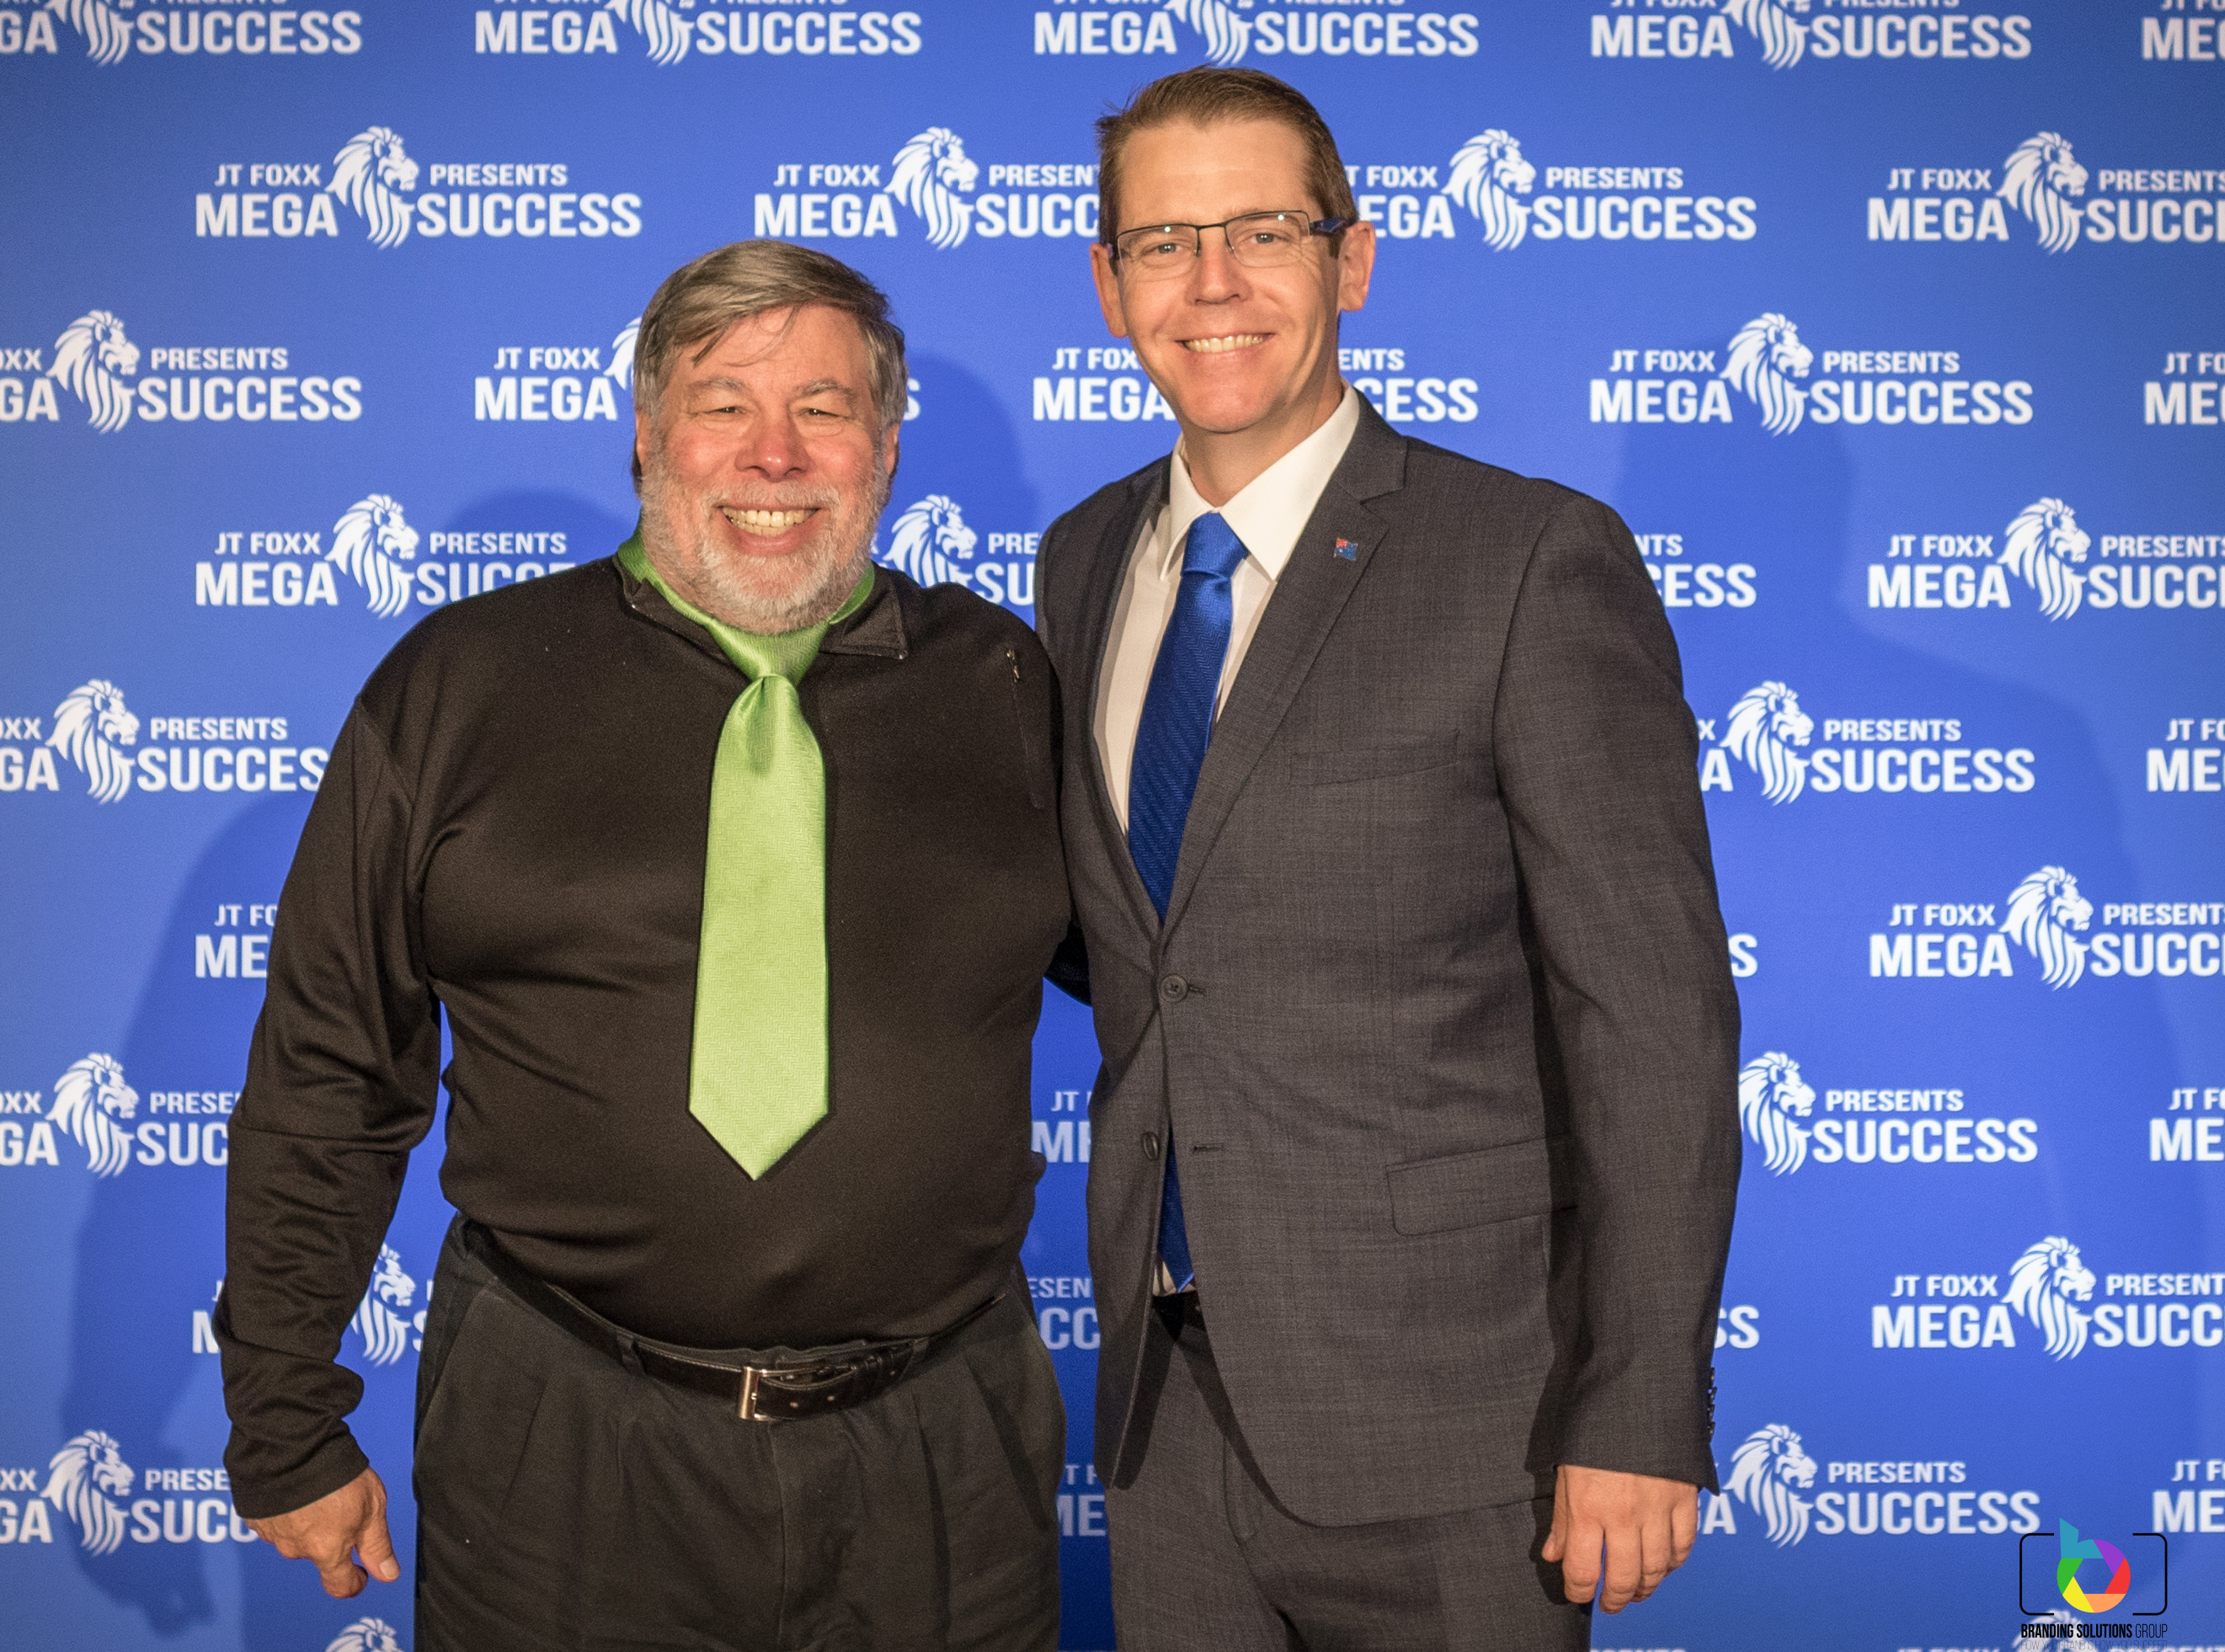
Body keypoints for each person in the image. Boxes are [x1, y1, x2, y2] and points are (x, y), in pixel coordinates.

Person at [216, 240, 1070, 1652]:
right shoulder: (459, 685)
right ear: (644, 433)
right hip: (559, 1438)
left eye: (824, 408)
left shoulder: (1007, 684)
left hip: (941, 1453)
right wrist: (282, 1415)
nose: (774, 454)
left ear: (886, 447)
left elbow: (1185, 981)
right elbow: (329, 1070)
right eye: (723, 404)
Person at [1035, 68, 1742, 1648]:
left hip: (1465, 1427)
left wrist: (1638, 1402)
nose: (1211, 283)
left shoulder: (1525, 559)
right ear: (1107, 285)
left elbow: (1649, 1015)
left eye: (1262, 232)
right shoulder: (1080, 559)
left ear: (1351, 261)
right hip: (1166, 1415)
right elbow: (1145, 940)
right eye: (1162, 242)